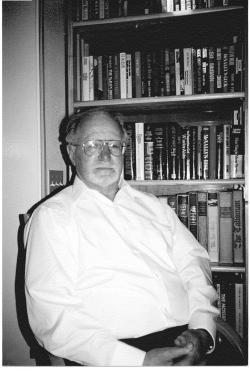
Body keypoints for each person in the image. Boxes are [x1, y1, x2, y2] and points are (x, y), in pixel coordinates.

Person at [24, 108, 219, 366]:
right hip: (115, 356)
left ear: (124, 151)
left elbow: (194, 264)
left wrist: (202, 330)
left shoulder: (154, 206)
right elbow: (52, 319)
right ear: (72, 152)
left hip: (189, 341)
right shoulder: (52, 217)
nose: (105, 154)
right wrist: (139, 361)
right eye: (92, 145)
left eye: (113, 145)